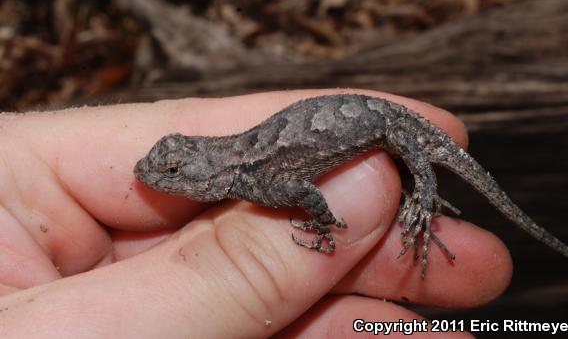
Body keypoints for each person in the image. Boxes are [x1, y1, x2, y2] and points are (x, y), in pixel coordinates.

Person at [0, 90, 511, 337]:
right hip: (366, 127)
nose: (155, 177)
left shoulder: (256, 179)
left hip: (396, 129)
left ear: (204, 174)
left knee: (422, 165)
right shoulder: (243, 172)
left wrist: (327, 224)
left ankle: (422, 197)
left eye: (173, 171)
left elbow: (313, 198)